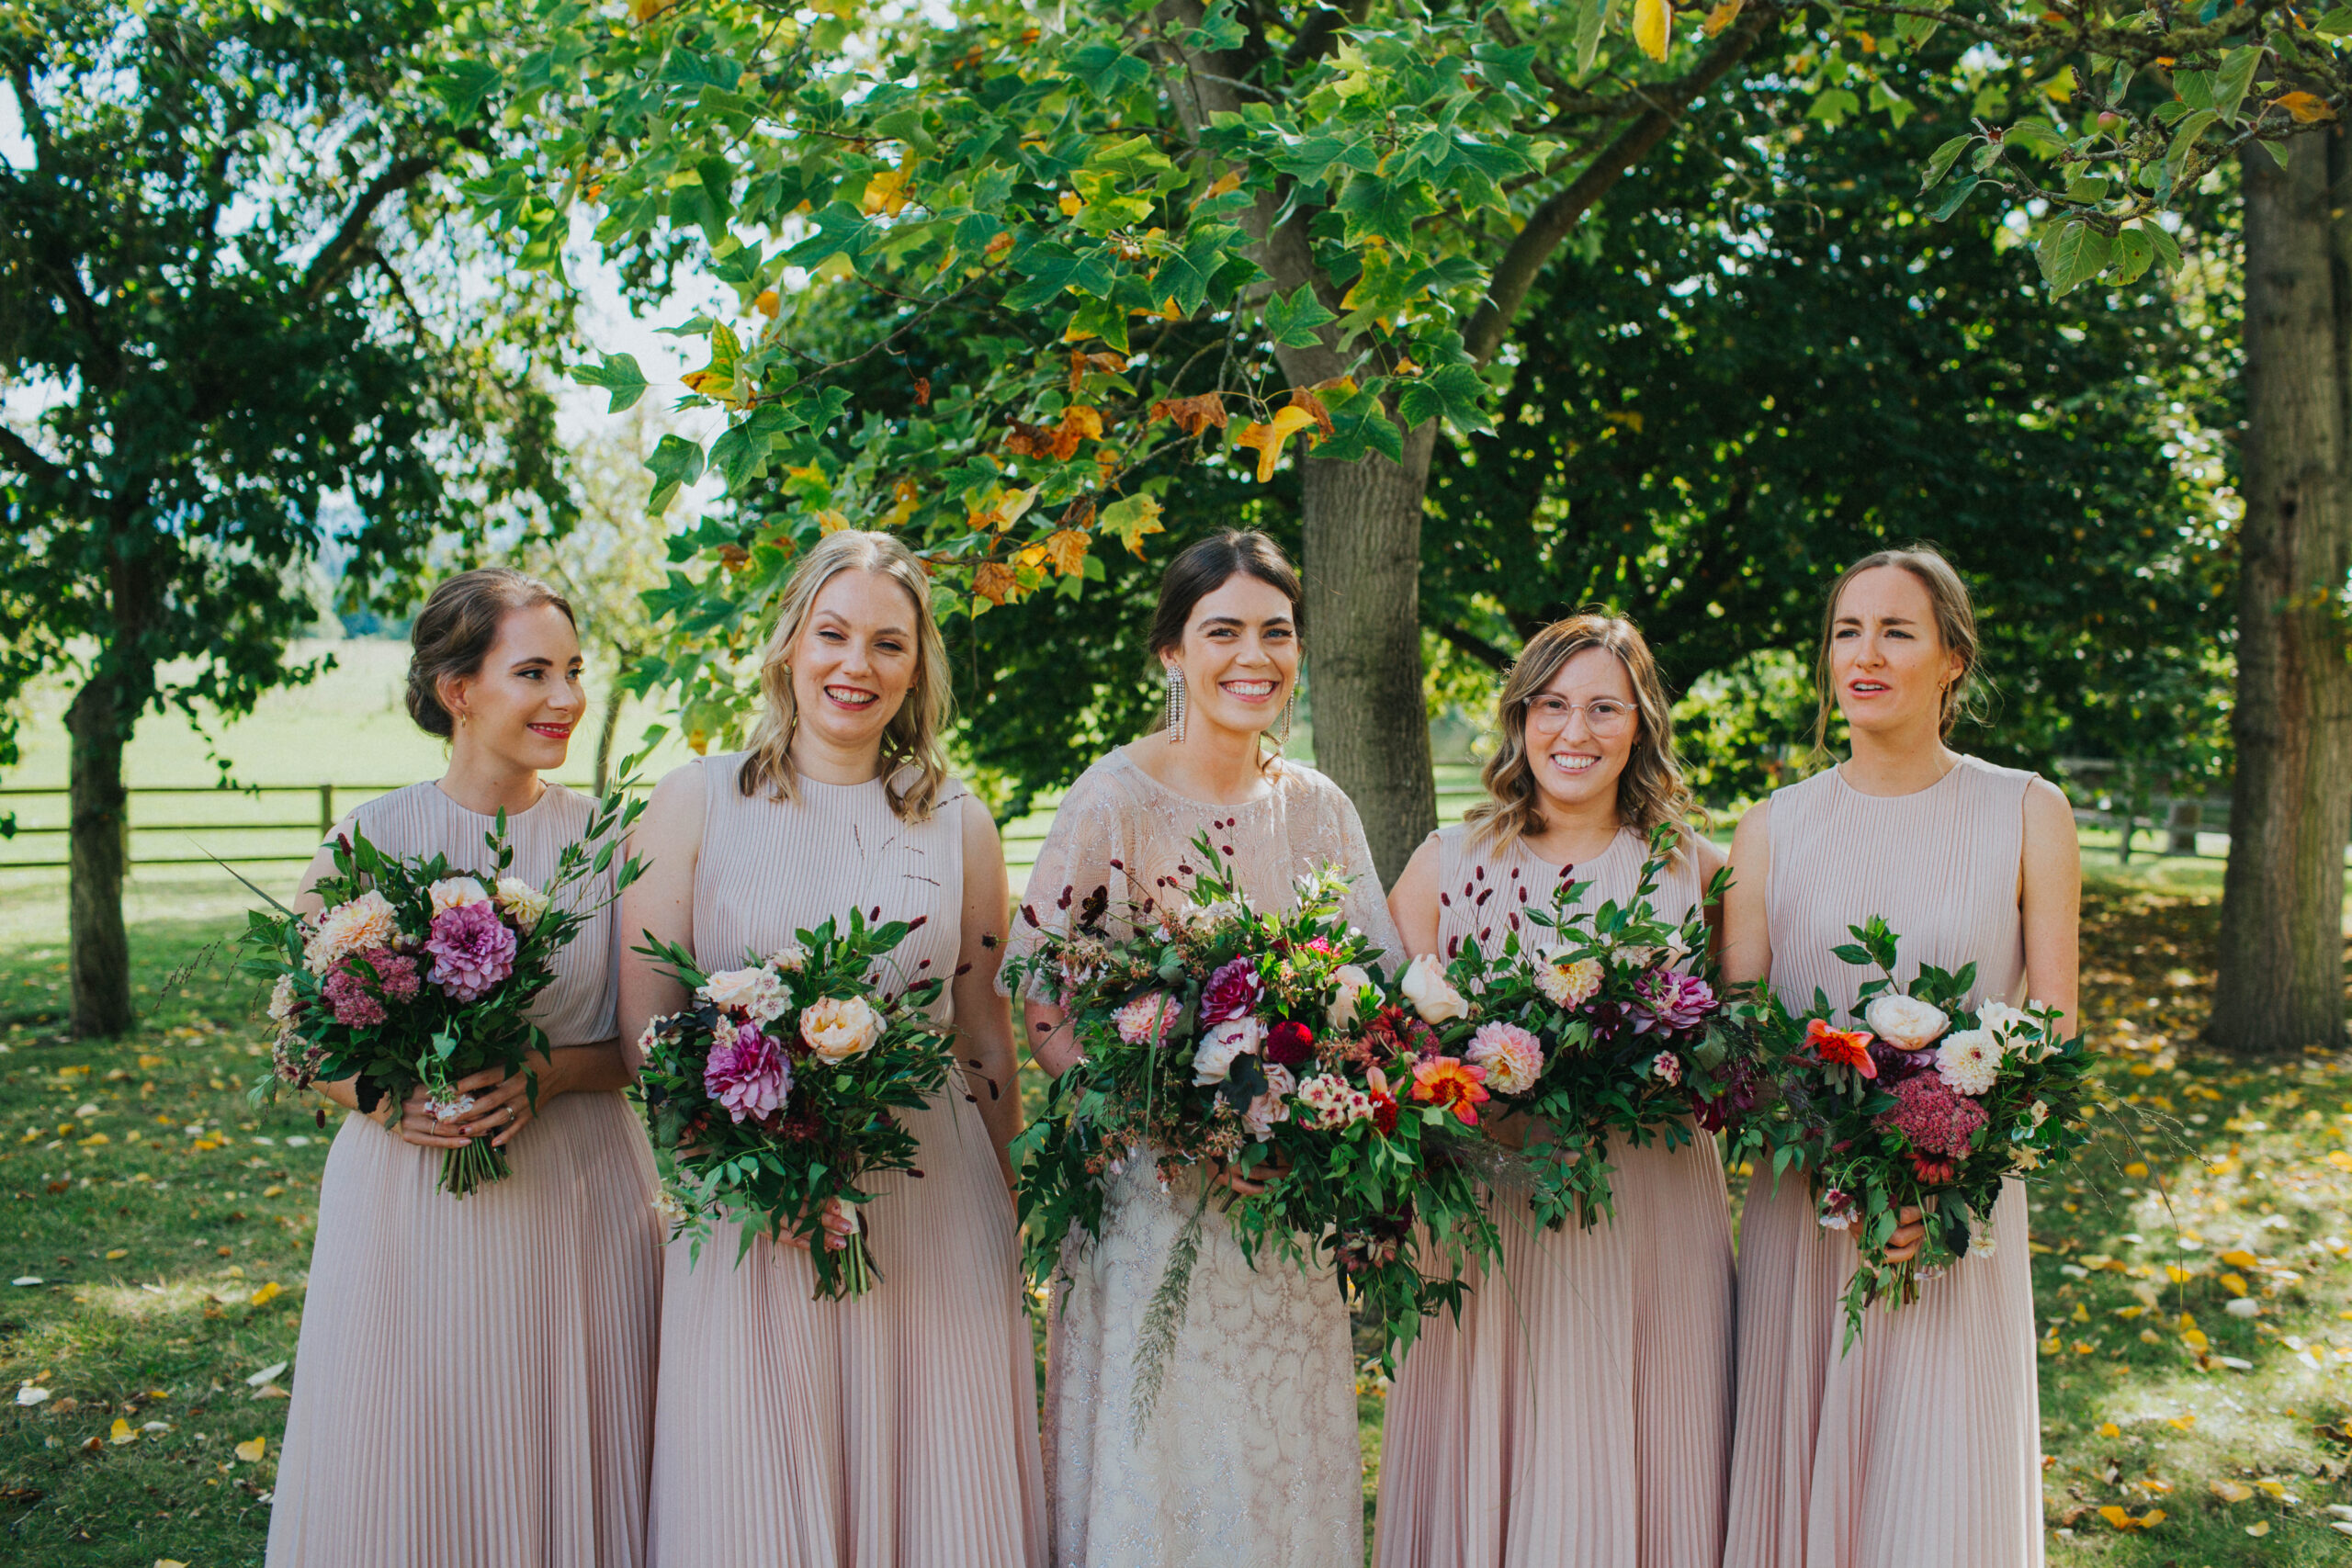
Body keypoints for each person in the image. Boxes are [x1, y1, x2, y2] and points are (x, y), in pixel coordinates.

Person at [619, 529, 1044, 1567]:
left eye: (888, 645)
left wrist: (1006, 1211)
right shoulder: (696, 801)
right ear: (788, 647)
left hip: (929, 1194)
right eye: (834, 634)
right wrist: (753, 1178)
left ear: (917, 669)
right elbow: (648, 1026)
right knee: (757, 1470)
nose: (857, 666)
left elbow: (984, 1030)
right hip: (750, 1199)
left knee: (932, 1467)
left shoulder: (957, 820)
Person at [1006, 529, 1401, 1568]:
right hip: (1155, 1201)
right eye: (1221, 631)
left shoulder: (1317, 808)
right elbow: (1043, 990)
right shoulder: (1113, 800)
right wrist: (1146, 1114)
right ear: (1171, 653)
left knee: (1275, 1459)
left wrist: (1322, 1111)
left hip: (1286, 1208)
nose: (1252, 657)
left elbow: (1376, 992)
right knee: (1165, 1458)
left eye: (1276, 633)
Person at [267, 568, 661, 1567]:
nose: (566, 697)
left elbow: (646, 1045)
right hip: (406, 1208)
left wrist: (550, 1074)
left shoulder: (611, 846)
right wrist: (379, 1094)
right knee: (419, 1457)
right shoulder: (370, 839)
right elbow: (293, 1036)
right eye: (533, 671)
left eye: (574, 670)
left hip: (577, 1198)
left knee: (574, 1445)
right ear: (458, 690)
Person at [1719, 547, 2079, 1568]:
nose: (1863, 655)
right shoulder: (1771, 826)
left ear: (1951, 659)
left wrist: (1945, 1173)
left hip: (1957, 1211)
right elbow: (1740, 1034)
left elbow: (2050, 1025)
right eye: (1845, 631)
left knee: (1939, 1480)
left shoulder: (2025, 809)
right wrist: (1825, 1145)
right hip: (1804, 1211)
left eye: (1895, 631)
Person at [1373, 612, 1735, 1568]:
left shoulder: (1696, 871)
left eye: (1603, 707)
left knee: (1643, 1427)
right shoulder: (1444, 866)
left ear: (1641, 724)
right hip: (1491, 1206)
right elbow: (1383, 1054)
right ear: (1521, 717)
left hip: (1651, 1213)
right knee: (1504, 1426)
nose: (1575, 732)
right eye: (1553, 705)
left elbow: (1740, 1055)